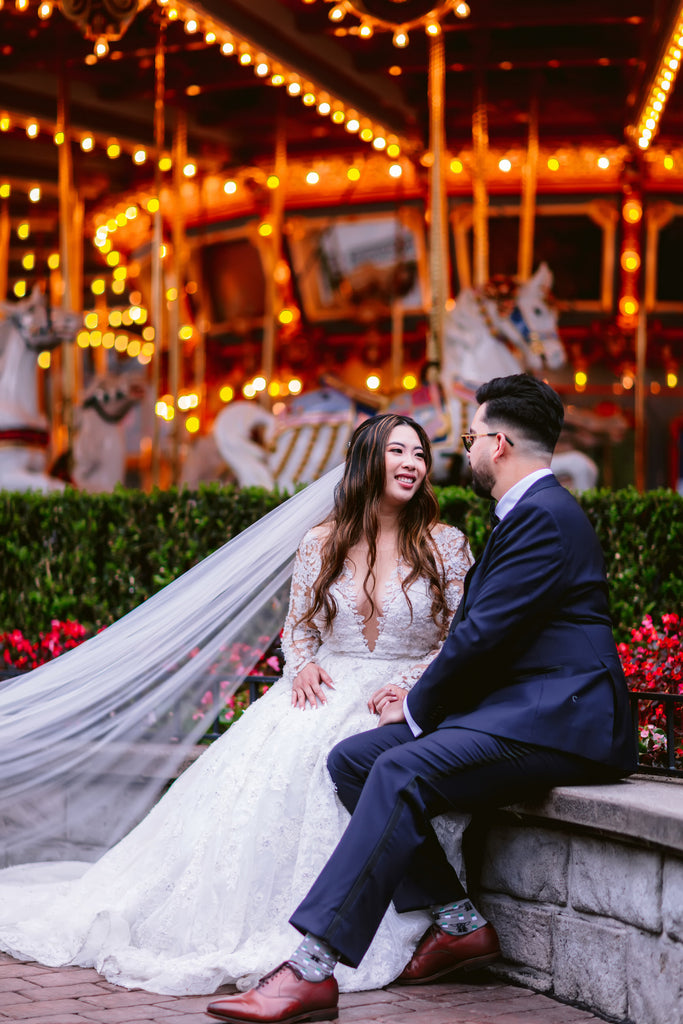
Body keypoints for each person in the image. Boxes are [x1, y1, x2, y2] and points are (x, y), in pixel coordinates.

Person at [205, 373, 637, 1024]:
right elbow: (481, 634)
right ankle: (458, 921)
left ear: (496, 443)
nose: (458, 453)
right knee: (352, 760)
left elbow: (479, 636)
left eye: (467, 438)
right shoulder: (528, 512)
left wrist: (413, 705)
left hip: (561, 722)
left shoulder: (543, 517)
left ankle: (311, 968)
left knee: (399, 765)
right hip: (525, 710)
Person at [0, 413, 473, 995]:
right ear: (365, 460)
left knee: (355, 770)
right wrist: (302, 669)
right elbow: (299, 629)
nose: (411, 463)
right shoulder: (321, 541)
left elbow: (460, 636)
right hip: (327, 685)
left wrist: (416, 686)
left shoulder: (444, 544)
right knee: (276, 774)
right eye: (397, 450)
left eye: (420, 454)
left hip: (400, 697)